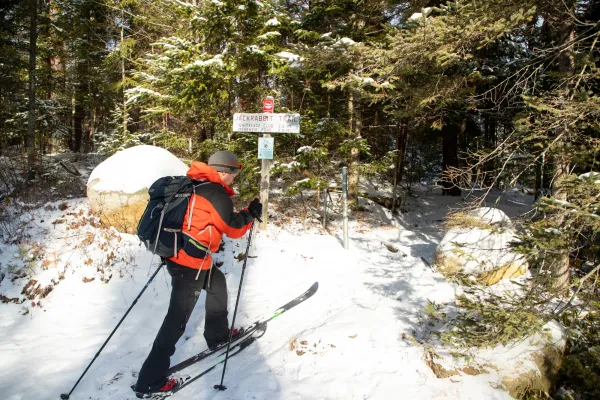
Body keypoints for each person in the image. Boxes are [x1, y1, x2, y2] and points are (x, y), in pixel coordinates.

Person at [133, 150, 262, 397]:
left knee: (217, 284)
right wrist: (250, 213)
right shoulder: (215, 192)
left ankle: (217, 336)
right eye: (235, 172)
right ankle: (150, 381)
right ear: (227, 171)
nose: (235, 177)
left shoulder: (194, 183)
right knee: (176, 321)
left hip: (180, 256)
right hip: (190, 264)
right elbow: (233, 228)